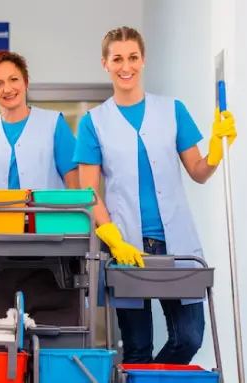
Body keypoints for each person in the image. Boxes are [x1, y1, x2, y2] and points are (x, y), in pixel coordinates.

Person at [73, 26, 237, 364]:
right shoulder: (93, 122)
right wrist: (113, 239)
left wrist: (217, 153)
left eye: (132, 57)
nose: (126, 66)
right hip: (127, 246)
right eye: (117, 58)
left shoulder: (172, 110)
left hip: (177, 243)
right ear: (105, 63)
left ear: (143, 60)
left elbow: (198, 170)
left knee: (189, 337)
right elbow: (88, 191)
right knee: (137, 348)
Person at [0, 49, 80, 326]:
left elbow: (75, 190)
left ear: (26, 82)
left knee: (53, 337)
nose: (8, 88)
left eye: (13, 79)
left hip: (51, 249)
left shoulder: (55, 125)